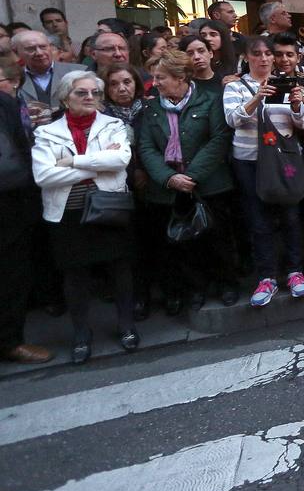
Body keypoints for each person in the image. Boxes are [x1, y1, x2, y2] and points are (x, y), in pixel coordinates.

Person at [31, 70, 139, 363]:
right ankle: (81, 333)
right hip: (68, 212)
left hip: (109, 206)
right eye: (82, 93)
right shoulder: (46, 132)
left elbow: (120, 161)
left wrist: (72, 162)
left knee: (120, 270)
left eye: (95, 93)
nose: (90, 97)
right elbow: (44, 176)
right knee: (75, 276)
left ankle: (126, 326)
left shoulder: (113, 125)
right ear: (66, 98)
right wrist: (96, 166)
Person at [138, 50, 236, 312]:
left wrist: (192, 176)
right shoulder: (151, 107)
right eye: (154, 77)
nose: (155, 83)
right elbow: (146, 147)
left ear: (180, 77)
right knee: (182, 245)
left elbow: (218, 140)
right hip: (168, 189)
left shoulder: (210, 100)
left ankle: (227, 283)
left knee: (218, 238)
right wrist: (169, 178)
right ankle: (195, 288)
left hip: (209, 184)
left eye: (161, 77)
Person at [225, 37, 304, 307]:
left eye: (268, 54)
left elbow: (302, 123)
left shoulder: (284, 84)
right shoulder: (235, 86)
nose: (264, 59)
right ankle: (266, 277)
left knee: (290, 215)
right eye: (257, 54)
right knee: (259, 220)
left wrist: (298, 105)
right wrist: (255, 98)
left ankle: (295, 272)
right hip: (249, 161)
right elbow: (232, 119)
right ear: (246, 57)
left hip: (283, 159)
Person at [0, 83, 50, 364]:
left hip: (12, 201)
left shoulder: (6, 103)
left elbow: (23, 142)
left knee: (12, 274)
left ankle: (10, 341)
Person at [14, 29, 80, 119]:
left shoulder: (79, 72)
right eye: (31, 49)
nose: (39, 53)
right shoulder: (11, 78)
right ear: (17, 53)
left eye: (43, 47)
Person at [98, 63, 144, 127]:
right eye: (113, 84)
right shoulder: (99, 114)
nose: (122, 89)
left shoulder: (150, 109)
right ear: (105, 88)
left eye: (127, 82)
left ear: (136, 83)